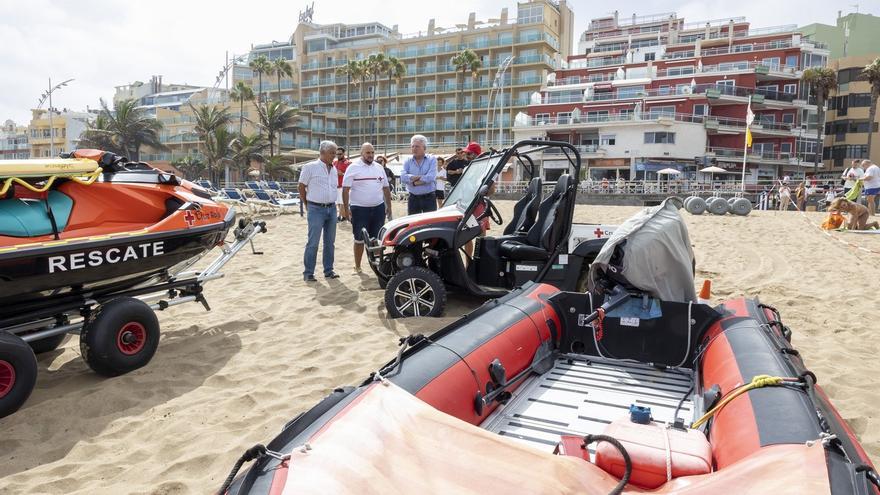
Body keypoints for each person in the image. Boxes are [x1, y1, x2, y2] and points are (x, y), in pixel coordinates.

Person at [342, 143, 393, 272]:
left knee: (376, 239)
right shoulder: (353, 167)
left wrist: (389, 206)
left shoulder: (379, 167)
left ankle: (377, 268)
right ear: (361, 153)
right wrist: (346, 209)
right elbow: (345, 189)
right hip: (359, 209)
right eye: (367, 153)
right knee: (359, 239)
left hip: (378, 208)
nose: (370, 155)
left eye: (372, 152)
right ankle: (357, 266)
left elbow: (386, 188)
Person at [298, 141, 340, 282]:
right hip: (315, 208)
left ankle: (329, 270)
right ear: (322, 152)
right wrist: (307, 204)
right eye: (332, 153)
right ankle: (308, 272)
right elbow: (301, 186)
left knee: (330, 242)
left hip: (332, 208)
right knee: (313, 242)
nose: (334, 156)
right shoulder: (310, 167)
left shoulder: (333, 169)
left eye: (335, 153)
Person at [401, 134, 437, 215]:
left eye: (417, 146)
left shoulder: (432, 159)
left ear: (424, 148)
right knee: (413, 223)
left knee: (429, 223)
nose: (414, 148)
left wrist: (413, 182)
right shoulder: (407, 161)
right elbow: (403, 178)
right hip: (413, 198)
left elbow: (431, 177)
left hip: (429, 198)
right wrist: (421, 178)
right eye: (412, 146)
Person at [333, 147, 351, 221]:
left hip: (344, 186)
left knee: (343, 202)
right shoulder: (334, 162)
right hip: (335, 185)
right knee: (338, 202)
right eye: (337, 154)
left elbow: (351, 175)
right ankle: (343, 216)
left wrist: (342, 173)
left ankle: (339, 216)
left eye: (340, 154)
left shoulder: (348, 163)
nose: (338, 155)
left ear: (344, 153)